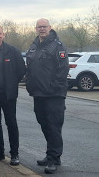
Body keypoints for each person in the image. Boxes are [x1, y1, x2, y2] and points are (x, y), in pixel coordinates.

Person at [25, 18, 69, 174]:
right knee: (44, 124)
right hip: (38, 94)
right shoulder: (33, 46)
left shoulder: (57, 46)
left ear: (50, 28)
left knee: (53, 126)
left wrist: (53, 88)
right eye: (39, 27)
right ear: (36, 28)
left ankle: (53, 158)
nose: (42, 29)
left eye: (44, 26)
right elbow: (30, 69)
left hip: (53, 95)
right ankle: (51, 154)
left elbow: (63, 70)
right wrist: (30, 85)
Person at [0, 24, 26, 166]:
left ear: (3, 35)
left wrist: (12, 84)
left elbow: (21, 70)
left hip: (8, 95)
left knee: (11, 123)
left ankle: (15, 154)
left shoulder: (12, 51)